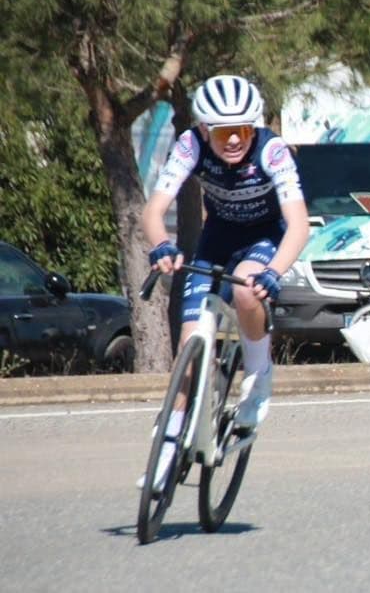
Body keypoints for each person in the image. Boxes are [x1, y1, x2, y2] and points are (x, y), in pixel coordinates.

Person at [139, 74, 310, 489]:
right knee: (189, 346)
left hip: (265, 238)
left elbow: (299, 225)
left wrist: (274, 272)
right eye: (223, 132)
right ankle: (170, 438)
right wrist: (162, 245)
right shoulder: (189, 145)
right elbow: (153, 211)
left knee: (246, 290)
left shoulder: (271, 150)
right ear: (203, 129)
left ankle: (258, 375)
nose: (234, 140)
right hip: (217, 239)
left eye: (242, 130)